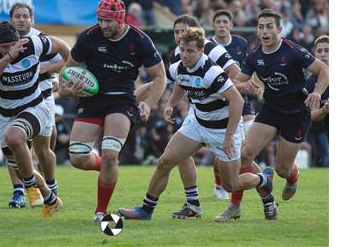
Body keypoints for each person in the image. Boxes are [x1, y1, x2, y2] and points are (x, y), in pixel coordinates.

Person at [117, 27, 274, 221]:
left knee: (230, 185)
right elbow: (179, 82)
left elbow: (238, 101)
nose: (185, 54)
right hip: (198, 124)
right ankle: (146, 210)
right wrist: (170, 104)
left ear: (201, 51)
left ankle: (263, 179)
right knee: (165, 162)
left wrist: (228, 137)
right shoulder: (177, 66)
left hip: (222, 129)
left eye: (190, 51)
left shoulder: (212, 72)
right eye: (182, 49)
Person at [58, 0, 167, 223]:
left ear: (120, 20)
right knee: (77, 158)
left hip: (122, 101)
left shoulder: (140, 40)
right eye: (100, 20)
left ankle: (101, 211)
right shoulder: (88, 37)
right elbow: (67, 70)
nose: (103, 25)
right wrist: (67, 90)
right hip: (92, 99)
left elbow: (160, 77)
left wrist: (150, 103)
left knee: (110, 153)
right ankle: (104, 165)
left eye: (108, 21)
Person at [216, 9, 329, 221]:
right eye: (261, 27)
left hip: (296, 113)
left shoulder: (293, 50)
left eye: (269, 27)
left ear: (279, 29)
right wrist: (244, 85)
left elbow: (324, 71)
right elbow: (236, 83)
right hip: (271, 110)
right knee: (245, 154)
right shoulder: (254, 56)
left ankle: (292, 176)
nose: (264, 31)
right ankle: (234, 206)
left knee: (281, 169)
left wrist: (316, 92)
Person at [0, 21, 70, 217]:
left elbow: (62, 46)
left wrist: (68, 75)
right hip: (5, 115)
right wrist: (7, 58)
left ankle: (31, 186)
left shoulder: (33, 44)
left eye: (13, 45)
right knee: (17, 165)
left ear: (19, 40)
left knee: (16, 139)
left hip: (35, 107)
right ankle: (50, 197)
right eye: (4, 47)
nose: (10, 49)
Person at [4, 3, 64, 209]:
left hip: (42, 97)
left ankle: (50, 185)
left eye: (25, 16)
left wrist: (46, 68)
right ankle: (20, 191)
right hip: (13, 100)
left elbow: (64, 59)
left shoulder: (41, 39)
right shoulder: (3, 40)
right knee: (14, 144)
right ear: (10, 19)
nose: (21, 20)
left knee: (43, 148)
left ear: (32, 20)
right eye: (17, 16)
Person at [210, 9, 259, 200]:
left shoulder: (241, 43)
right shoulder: (208, 45)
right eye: (218, 22)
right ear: (213, 25)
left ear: (231, 25)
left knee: (246, 145)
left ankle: (255, 177)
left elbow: (247, 69)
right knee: (224, 146)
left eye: (225, 22)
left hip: (241, 99)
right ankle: (220, 184)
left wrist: (254, 85)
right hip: (217, 102)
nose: (222, 25)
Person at [305, 35, 329, 167]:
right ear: (315, 54)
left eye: (327, 50)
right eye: (319, 51)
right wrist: (324, 110)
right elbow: (313, 116)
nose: (323, 54)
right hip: (321, 129)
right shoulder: (311, 82)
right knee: (327, 159)